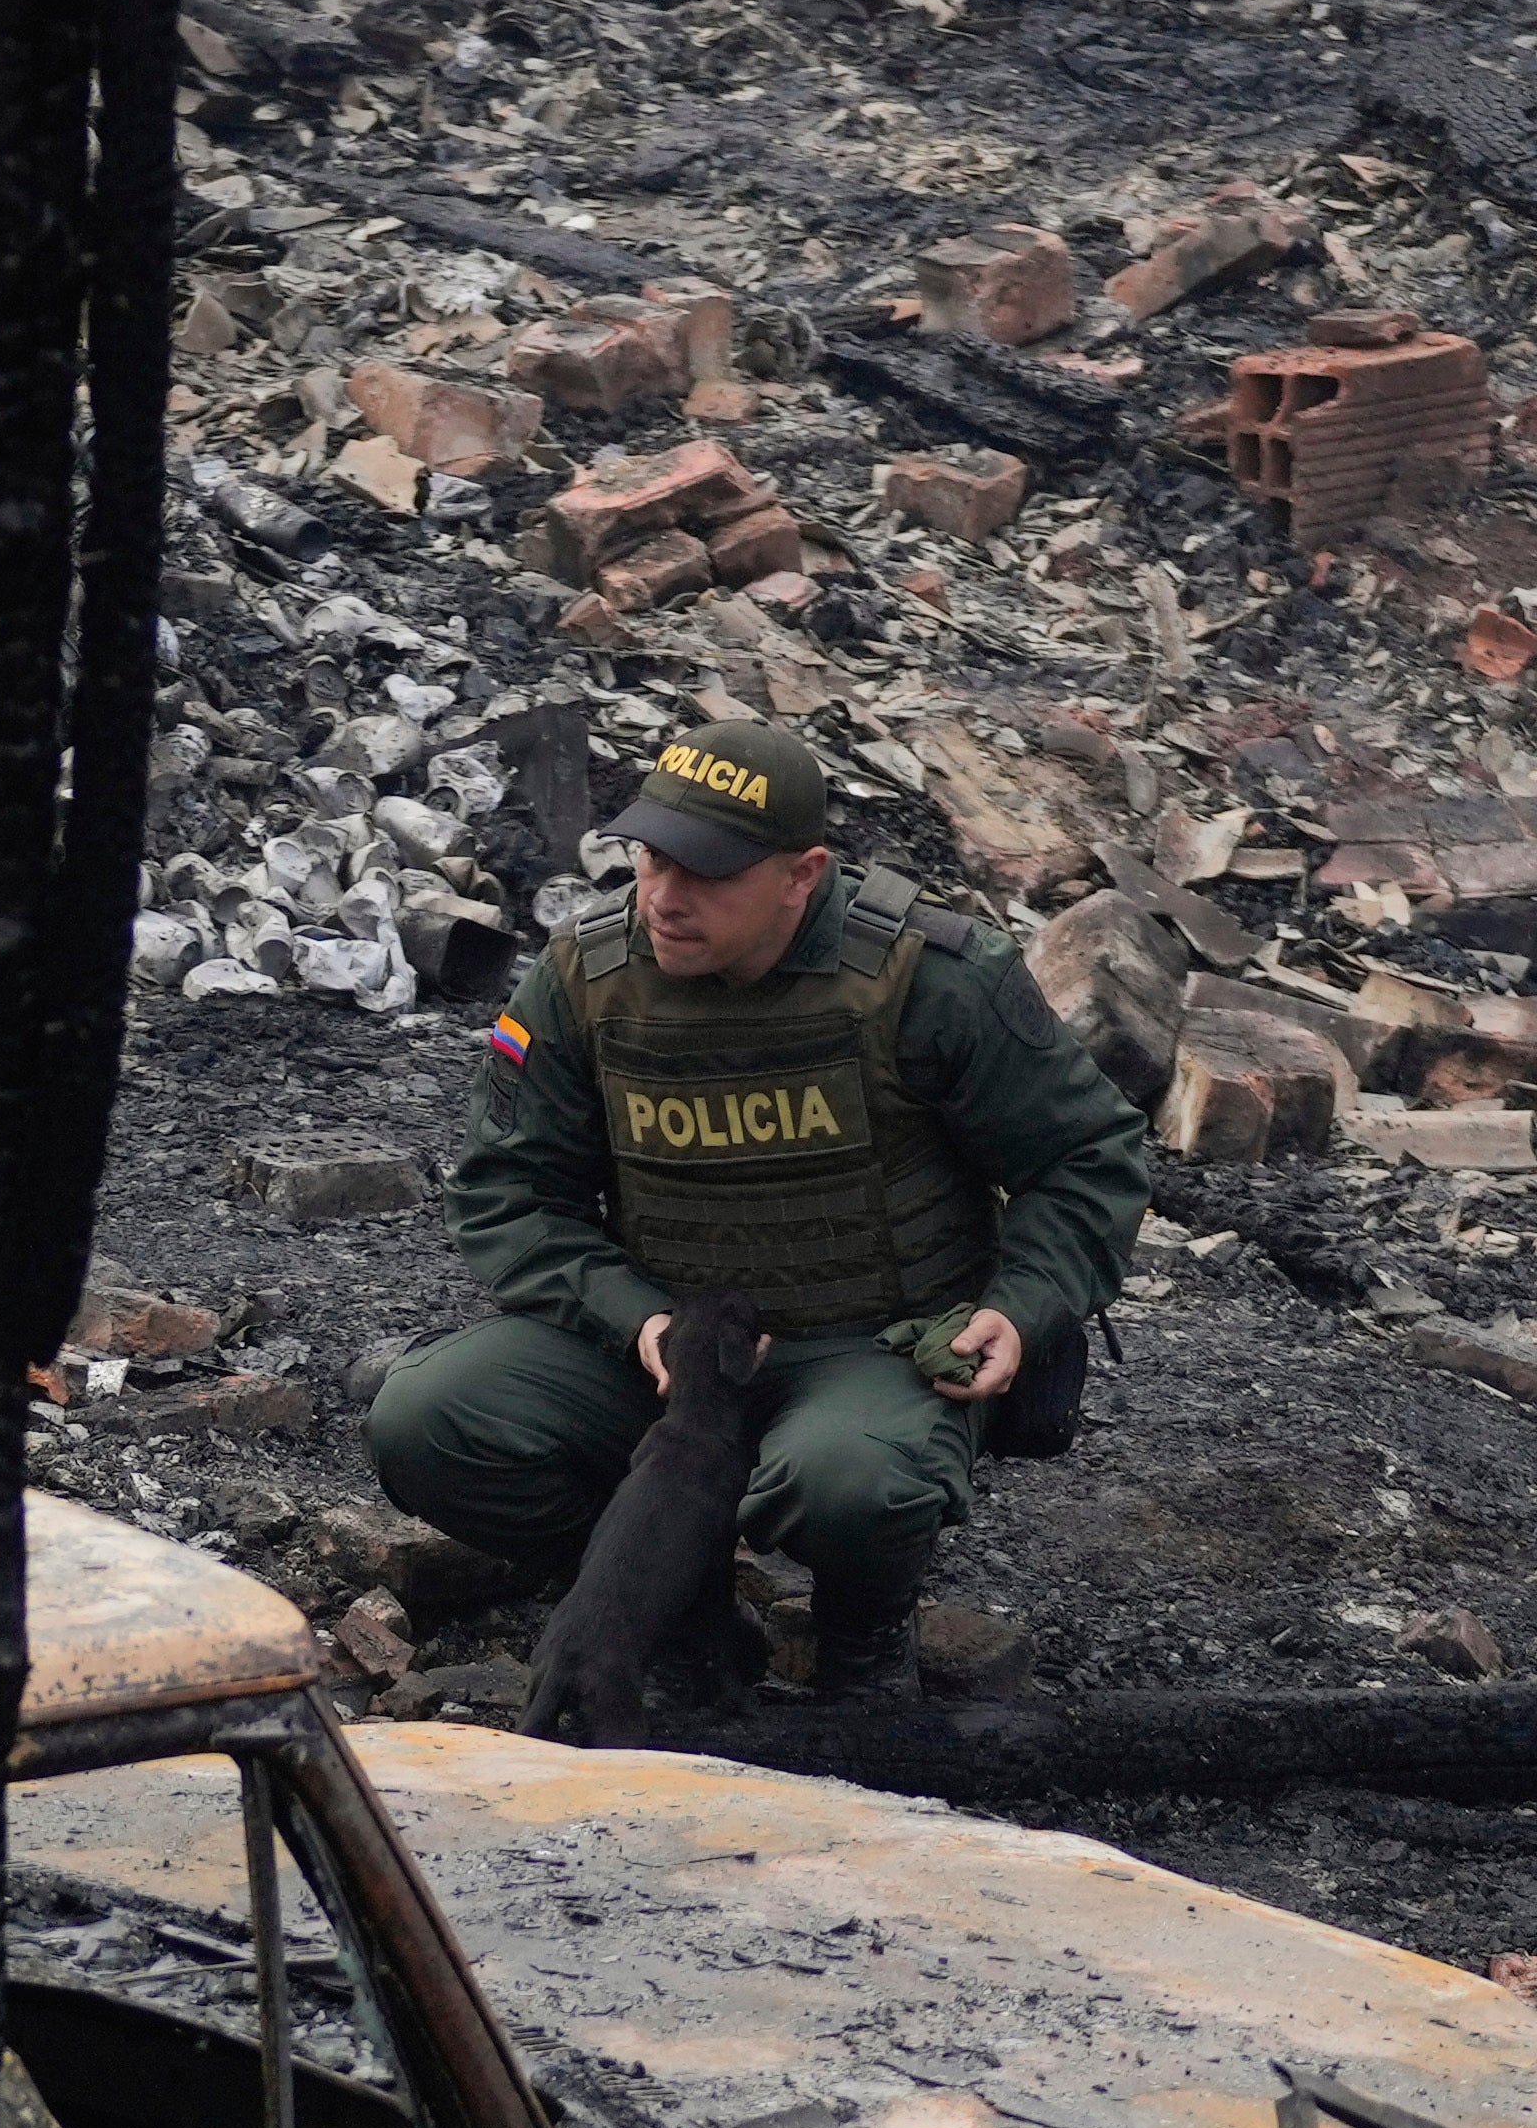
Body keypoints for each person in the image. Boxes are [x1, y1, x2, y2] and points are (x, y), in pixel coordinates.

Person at [369, 715, 1149, 1696]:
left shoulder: (933, 977)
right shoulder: (585, 976)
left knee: (852, 1486)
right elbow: (510, 1189)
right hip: (669, 1347)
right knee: (428, 1417)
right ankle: (673, 1608)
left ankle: (862, 1631)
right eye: (651, 860)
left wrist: (1022, 1306)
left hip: (868, 1351)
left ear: (802, 873)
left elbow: (1087, 1155)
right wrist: (632, 1316)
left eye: (705, 874)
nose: (662, 896)